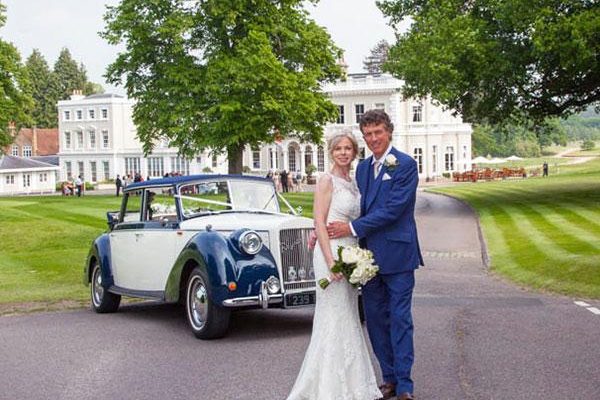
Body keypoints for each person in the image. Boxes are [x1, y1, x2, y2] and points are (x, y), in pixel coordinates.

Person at [327, 110, 424, 400]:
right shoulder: (363, 169)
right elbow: (357, 206)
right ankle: (389, 378)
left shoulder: (405, 165)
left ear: (389, 132)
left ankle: (405, 385)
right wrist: (319, 225)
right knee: (376, 320)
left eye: (378, 132)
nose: (373, 139)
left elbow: (393, 210)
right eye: (368, 135)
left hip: (398, 255)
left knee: (400, 319)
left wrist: (352, 226)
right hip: (367, 260)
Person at [287, 132, 382, 400]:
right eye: (338, 148)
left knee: (349, 315)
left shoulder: (354, 182)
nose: (343, 152)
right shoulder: (326, 180)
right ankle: (329, 387)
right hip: (331, 254)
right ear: (331, 152)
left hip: (351, 251)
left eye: (348, 148)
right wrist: (330, 262)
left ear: (354, 152)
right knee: (333, 315)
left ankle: (353, 382)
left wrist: (356, 258)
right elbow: (319, 221)